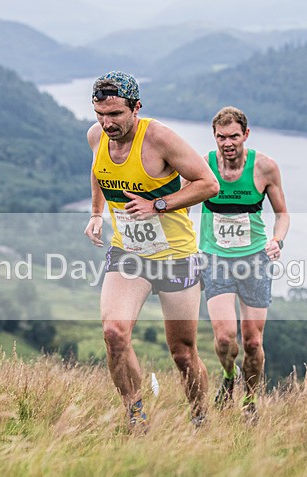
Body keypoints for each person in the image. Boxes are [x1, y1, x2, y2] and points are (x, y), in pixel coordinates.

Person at [84, 71, 220, 431]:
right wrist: (97, 214)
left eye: (116, 115)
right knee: (114, 333)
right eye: (100, 113)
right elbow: (99, 172)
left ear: (136, 108)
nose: (107, 123)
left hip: (175, 256)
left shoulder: (159, 138)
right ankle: (136, 416)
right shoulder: (96, 136)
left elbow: (209, 183)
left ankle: (200, 419)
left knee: (183, 353)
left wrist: (158, 205)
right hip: (128, 254)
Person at [199, 106, 290, 423]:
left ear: (246, 135)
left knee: (252, 341)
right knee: (225, 339)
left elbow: (282, 214)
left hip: (255, 260)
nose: (227, 143)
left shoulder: (265, 167)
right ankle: (228, 375)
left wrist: (277, 240)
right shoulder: (204, 166)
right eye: (221, 137)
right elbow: (178, 198)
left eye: (234, 136)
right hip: (215, 258)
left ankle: (250, 403)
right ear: (214, 137)